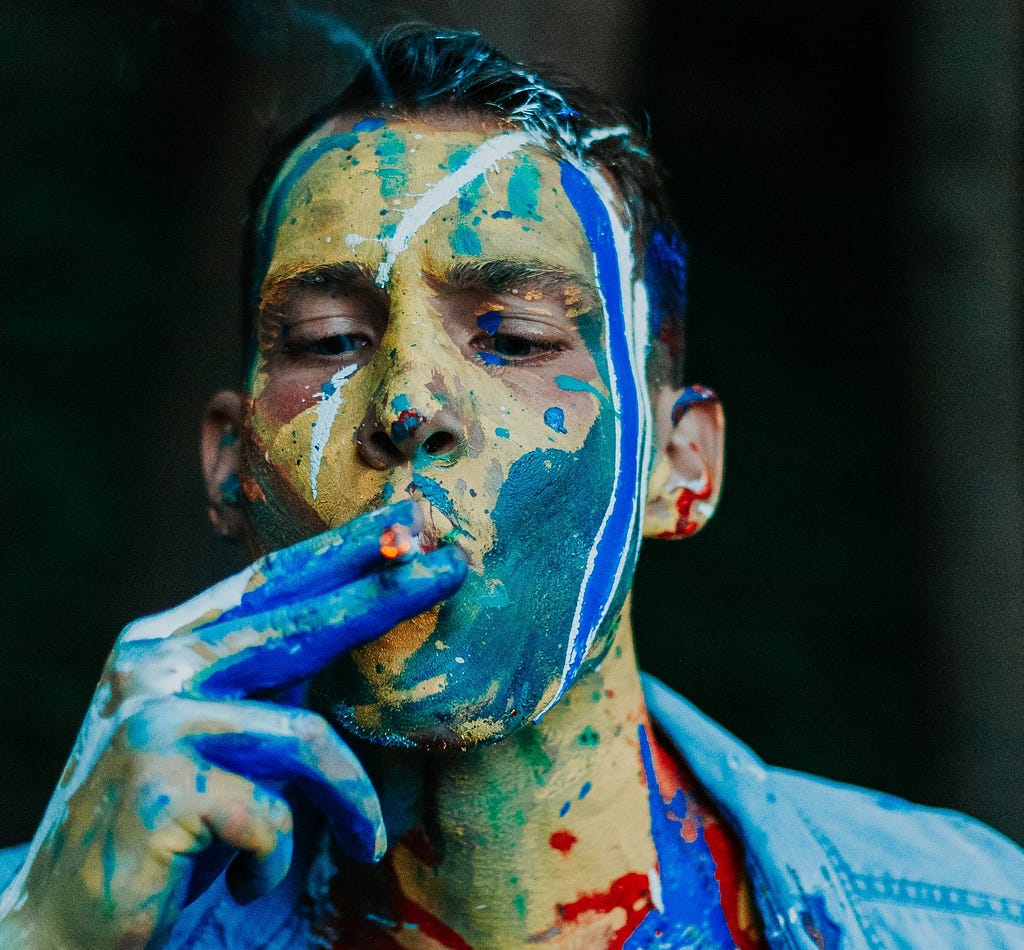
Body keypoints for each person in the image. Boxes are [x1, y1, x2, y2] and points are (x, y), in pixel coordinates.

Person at [1, 25, 1022, 950]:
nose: (406, 401)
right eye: (328, 341)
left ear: (681, 464)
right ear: (229, 466)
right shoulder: (50, 918)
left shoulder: (971, 917)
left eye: (515, 337)